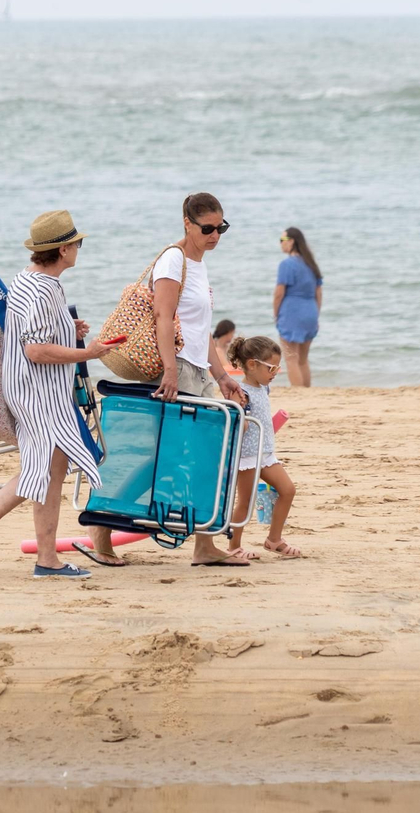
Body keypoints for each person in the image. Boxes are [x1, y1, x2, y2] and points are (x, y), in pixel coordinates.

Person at [0, 211, 119, 578]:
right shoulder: (45, 289)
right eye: (76, 243)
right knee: (41, 469)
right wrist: (87, 352)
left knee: (53, 469)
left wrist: (67, 327)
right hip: (38, 390)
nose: (79, 248)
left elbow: (27, 330)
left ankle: (47, 559)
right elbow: (36, 350)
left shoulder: (28, 280)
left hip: (26, 386)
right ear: (63, 249)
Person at [151, 192, 250, 567]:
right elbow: (163, 318)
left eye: (220, 227)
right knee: (163, 454)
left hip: (197, 367)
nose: (215, 235)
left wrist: (222, 374)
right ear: (187, 225)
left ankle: (205, 545)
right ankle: (101, 531)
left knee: (214, 448)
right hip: (176, 367)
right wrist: (171, 372)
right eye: (207, 228)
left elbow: (200, 328)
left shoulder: (199, 263)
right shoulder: (173, 260)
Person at [223, 335, 302, 562]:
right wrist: (241, 414)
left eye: (277, 368)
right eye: (271, 368)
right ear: (252, 365)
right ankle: (234, 547)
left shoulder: (263, 389)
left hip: (265, 454)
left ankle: (274, 539)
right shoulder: (241, 392)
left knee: (287, 490)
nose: (275, 373)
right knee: (245, 501)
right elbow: (237, 422)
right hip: (247, 456)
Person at [274, 227, 324, 388]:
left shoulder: (287, 264)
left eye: (282, 240)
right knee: (303, 359)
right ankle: (307, 392)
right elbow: (319, 293)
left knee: (291, 358)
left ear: (292, 241)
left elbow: (279, 293)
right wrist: (316, 314)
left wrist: (276, 313)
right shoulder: (311, 263)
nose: (280, 244)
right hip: (310, 311)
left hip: (292, 311)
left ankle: (298, 392)